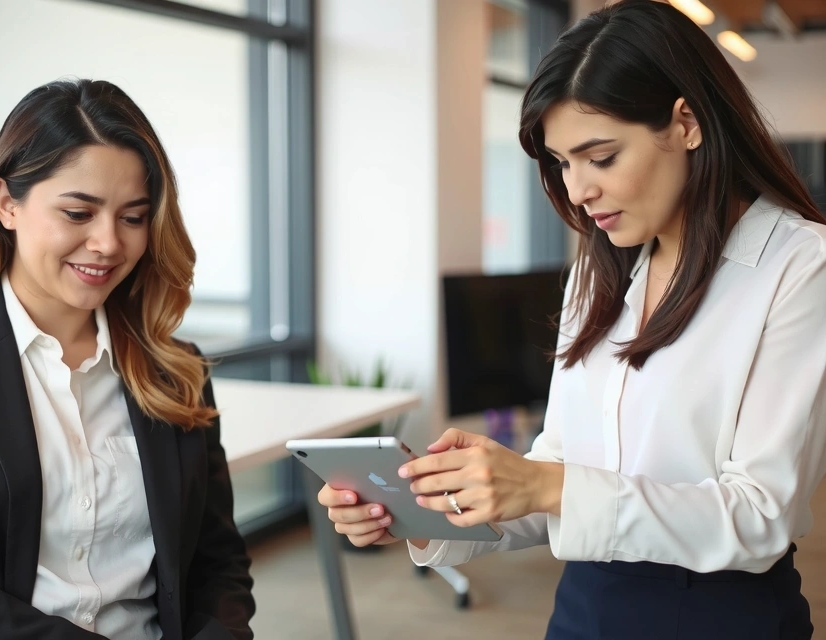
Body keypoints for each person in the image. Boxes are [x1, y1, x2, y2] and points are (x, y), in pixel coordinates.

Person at [319, 1, 826, 638]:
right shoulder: (599, 269)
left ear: (687, 123)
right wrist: (427, 510)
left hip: (720, 616)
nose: (579, 191)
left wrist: (546, 485)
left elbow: (760, 517)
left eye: (601, 157)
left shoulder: (799, 265)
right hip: (584, 607)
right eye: (562, 163)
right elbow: (560, 469)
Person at [0, 78, 255, 640]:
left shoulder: (174, 369)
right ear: (6, 204)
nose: (108, 243)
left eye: (133, 217)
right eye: (78, 213)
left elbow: (216, 564)